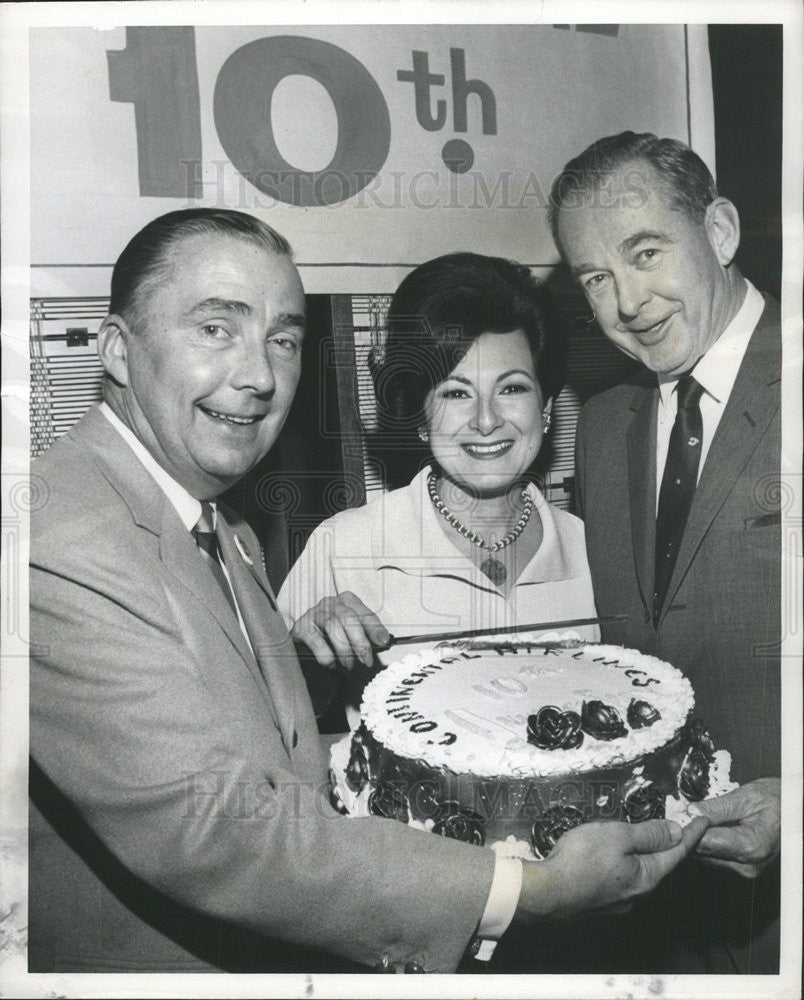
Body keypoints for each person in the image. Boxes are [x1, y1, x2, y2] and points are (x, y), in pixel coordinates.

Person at [28, 208, 708, 974]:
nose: (257, 375)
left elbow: (275, 756)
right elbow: (218, 824)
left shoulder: (223, 530)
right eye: (216, 328)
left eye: (282, 340)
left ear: (547, 407)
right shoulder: (63, 539)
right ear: (117, 349)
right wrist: (532, 889)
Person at [549, 131, 782, 973]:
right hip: (658, 914)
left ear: (719, 232)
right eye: (596, 278)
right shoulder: (605, 427)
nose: (628, 301)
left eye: (646, 253)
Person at [279, 252, 598, 721]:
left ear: (546, 406)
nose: (487, 421)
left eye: (512, 389)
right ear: (420, 416)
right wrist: (307, 654)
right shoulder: (344, 546)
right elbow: (274, 720)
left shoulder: (593, 548)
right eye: (455, 392)